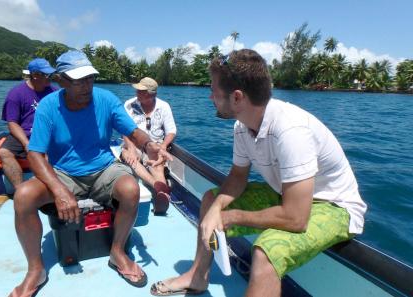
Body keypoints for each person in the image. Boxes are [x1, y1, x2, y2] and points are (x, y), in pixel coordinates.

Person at [150, 49, 367, 296]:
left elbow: (297, 218)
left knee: (267, 251)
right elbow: (237, 178)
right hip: (286, 194)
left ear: (237, 97)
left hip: (334, 206)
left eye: (214, 90)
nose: (210, 96)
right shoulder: (242, 127)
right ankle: (197, 276)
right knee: (211, 199)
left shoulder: (290, 131)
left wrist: (229, 218)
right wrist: (216, 209)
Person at [9, 51, 171, 297]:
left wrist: (150, 146)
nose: (86, 86)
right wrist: (59, 190)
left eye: (89, 78)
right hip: (63, 172)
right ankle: (35, 269)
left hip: (103, 168)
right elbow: (35, 155)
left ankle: (118, 252)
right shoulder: (48, 107)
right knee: (23, 195)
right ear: (61, 80)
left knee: (131, 189)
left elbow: (133, 132)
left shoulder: (106, 100)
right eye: (78, 80)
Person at [122, 77, 177, 215]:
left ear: (152, 94)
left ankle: (161, 196)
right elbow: (124, 129)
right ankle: (159, 188)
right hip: (133, 143)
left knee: (156, 163)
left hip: (155, 144)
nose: (136, 92)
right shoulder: (129, 105)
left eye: (141, 91)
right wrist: (130, 148)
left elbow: (171, 131)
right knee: (130, 157)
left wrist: (163, 146)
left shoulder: (163, 106)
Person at [0, 58, 56, 190]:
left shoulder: (55, 93)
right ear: (35, 75)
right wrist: (26, 143)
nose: (50, 78)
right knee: (4, 152)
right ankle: (20, 190)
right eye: (47, 75)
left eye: (51, 75)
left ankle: (49, 190)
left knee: (46, 155)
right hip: (24, 133)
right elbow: (12, 123)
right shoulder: (16, 94)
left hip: (47, 133)